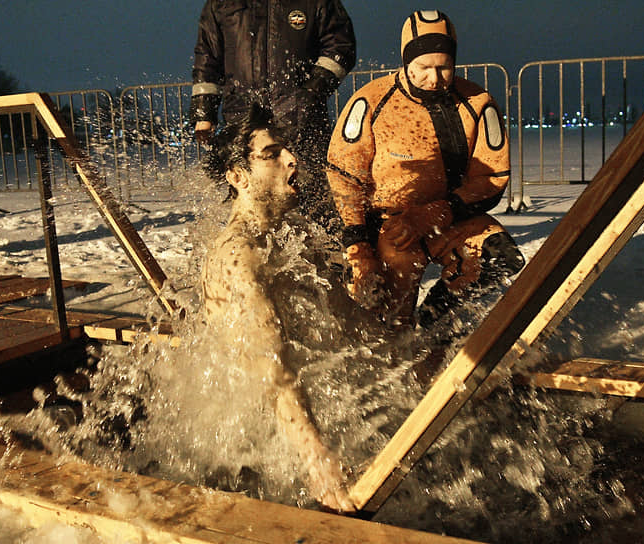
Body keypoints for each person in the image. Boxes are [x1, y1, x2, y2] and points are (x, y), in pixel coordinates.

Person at [325, 10, 525, 330]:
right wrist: (358, 245)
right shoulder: (371, 102)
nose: (435, 78)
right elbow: (343, 176)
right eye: (423, 68)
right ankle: (398, 340)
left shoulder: (477, 103)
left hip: (448, 217)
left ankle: (432, 325)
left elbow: (492, 177)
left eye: (444, 67)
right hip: (390, 227)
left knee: (499, 258)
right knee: (391, 316)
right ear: (406, 62)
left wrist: (440, 211)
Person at [200, 105, 354, 512]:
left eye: (288, 150)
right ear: (237, 177)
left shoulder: (295, 234)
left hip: (307, 406)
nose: (292, 160)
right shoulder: (239, 256)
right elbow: (271, 366)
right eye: (271, 155)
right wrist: (314, 455)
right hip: (255, 446)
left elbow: (351, 321)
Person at [190, 0, 356, 229]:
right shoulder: (220, 3)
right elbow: (207, 57)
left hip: (302, 120)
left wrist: (309, 94)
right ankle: (255, 253)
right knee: (251, 196)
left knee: (313, 194)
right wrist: (203, 113)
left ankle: (326, 257)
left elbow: (341, 47)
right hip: (243, 120)